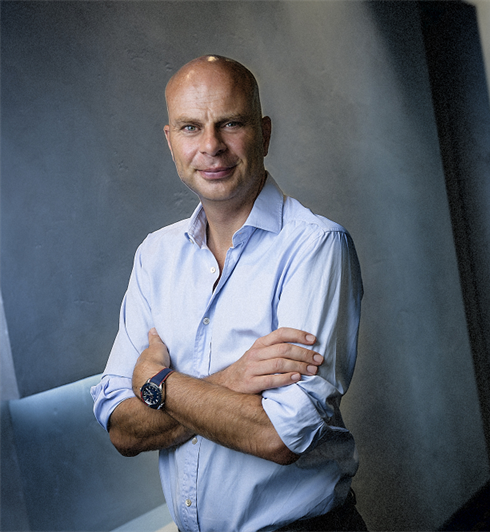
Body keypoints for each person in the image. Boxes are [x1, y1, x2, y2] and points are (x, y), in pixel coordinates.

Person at [91, 55, 367, 532]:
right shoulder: (155, 256)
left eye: (231, 123)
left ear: (264, 133)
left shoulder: (316, 246)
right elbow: (122, 429)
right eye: (191, 128)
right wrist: (234, 379)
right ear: (171, 142)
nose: (211, 146)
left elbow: (280, 435)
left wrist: (157, 383)